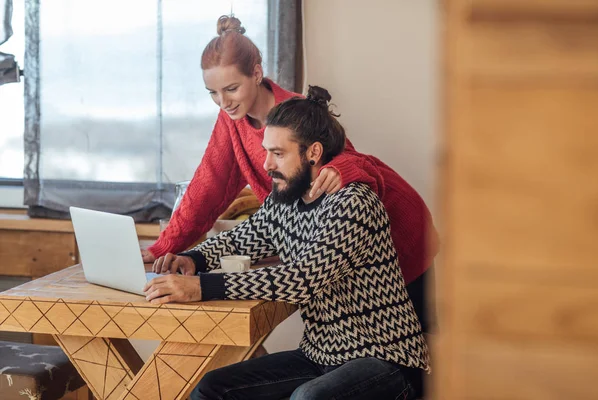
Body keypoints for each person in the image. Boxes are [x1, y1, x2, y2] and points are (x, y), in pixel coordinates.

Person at [143, 15, 438, 330]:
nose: (222, 102)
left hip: (395, 230)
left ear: (256, 73)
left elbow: (355, 163)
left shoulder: (297, 112)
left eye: (231, 88)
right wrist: (165, 248)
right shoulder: (232, 122)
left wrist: (339, 166)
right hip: (334, 248)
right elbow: (207, 188)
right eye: (212, 93)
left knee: (411, 343)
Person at [144, 86, 430, 400]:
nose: (266, 164)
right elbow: (244, 237)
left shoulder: (352, 203)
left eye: (278, 154)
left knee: (308, 399)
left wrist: (202, 287)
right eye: (267, 151)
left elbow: (302, 280)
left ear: (313, 153)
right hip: (320, 356)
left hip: (385, 360)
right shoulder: (286, 200)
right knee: (213, 388)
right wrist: (194, 259)